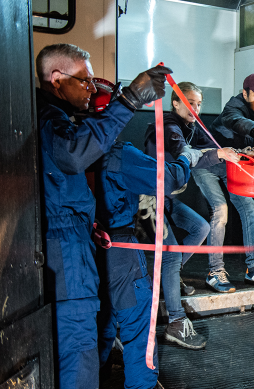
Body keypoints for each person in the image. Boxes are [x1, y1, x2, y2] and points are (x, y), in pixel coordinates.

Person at [36, 43, 169, 388]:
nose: (90, 89)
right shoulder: (102, 147)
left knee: (99, 333)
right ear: (56, 79)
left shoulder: (54, 124)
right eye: (85, 81)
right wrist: (189, 157)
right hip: (113, 250)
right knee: (134, 331)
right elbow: (167, 181)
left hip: (91, 250)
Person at [93, 133, 201, 387]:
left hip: (88, 245)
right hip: (119, 249)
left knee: (102, 319)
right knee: (139, 327)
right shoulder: (117, 152)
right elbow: (166, 177)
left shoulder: (72, 143)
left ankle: (99, 374)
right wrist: (187, 158)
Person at [144, 81, 238, 347]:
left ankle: (166, 277)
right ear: (175, 103)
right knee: (171, 256)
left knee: (201, 228)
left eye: (199, 104)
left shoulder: (190, 126)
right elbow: (185, 154)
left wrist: (232, 153)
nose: (195, 108)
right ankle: (175, 321)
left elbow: (209, 144)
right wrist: (216, 154)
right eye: (190, 103)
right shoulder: (169, 127)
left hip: (166, 198)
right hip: (148, 200)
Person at [192, 72, 254, 292]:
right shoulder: (234, 106)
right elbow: (235, 120)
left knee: (249, 209)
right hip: (208, 163)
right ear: (244, 93)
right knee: (221, 210)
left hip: (234, 167)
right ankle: (215, 272)